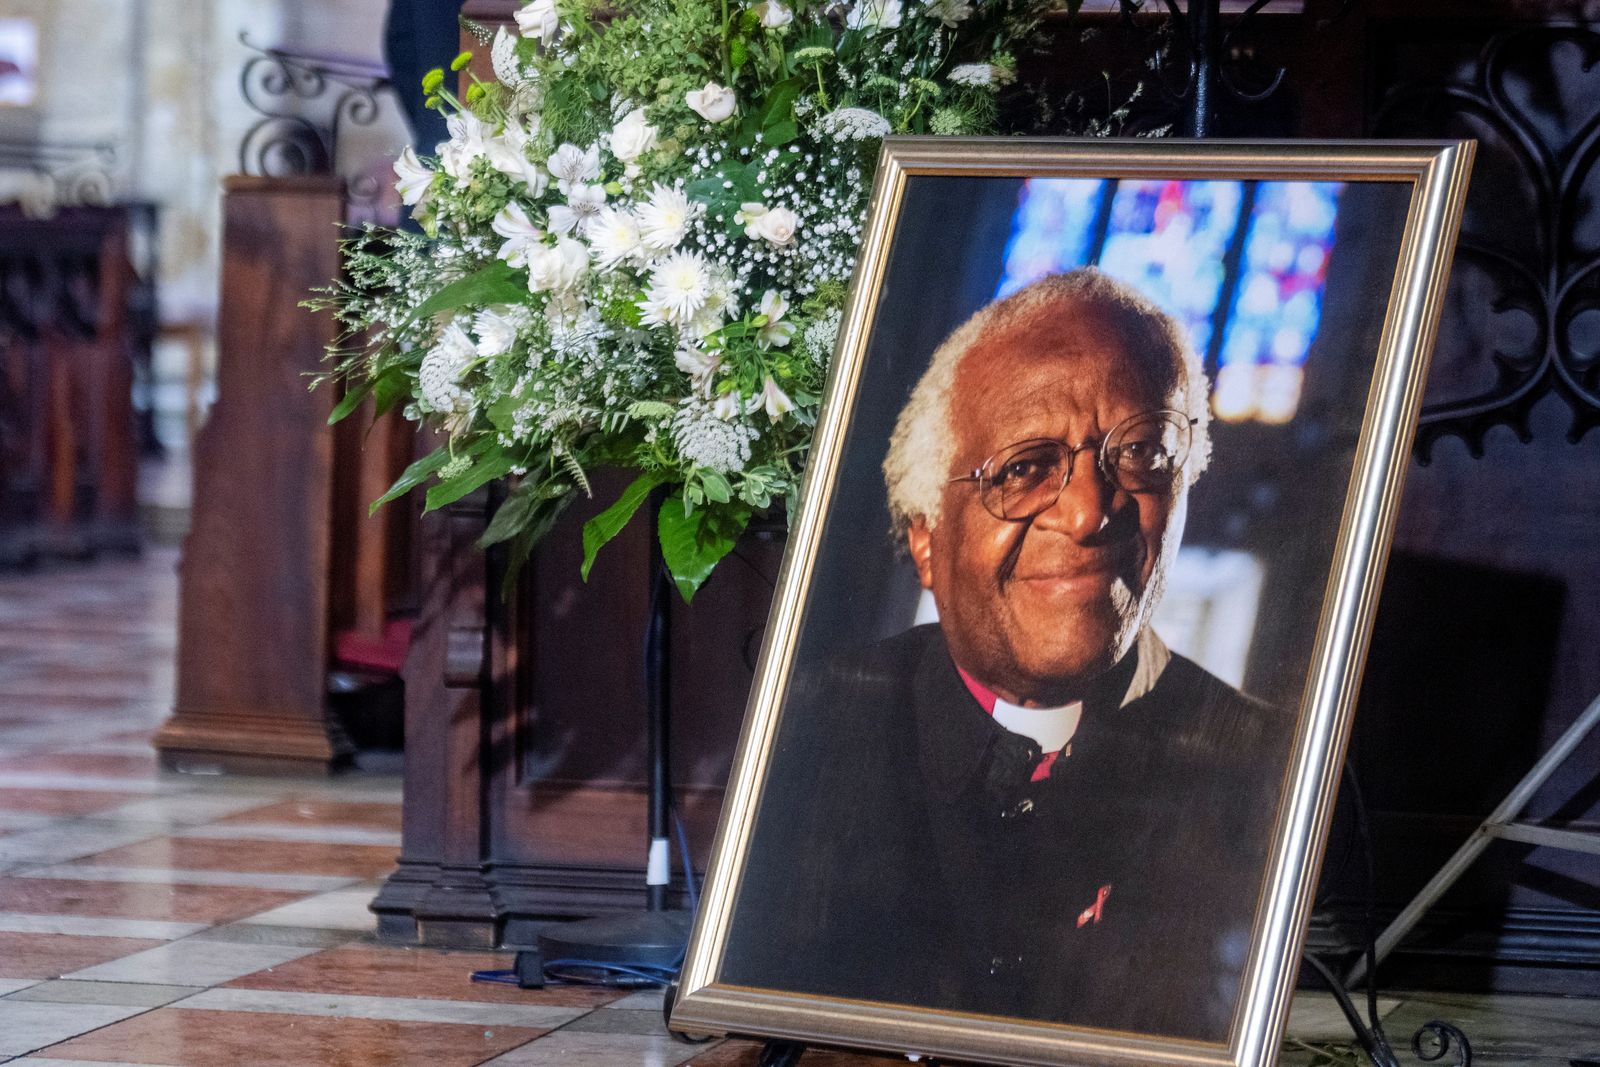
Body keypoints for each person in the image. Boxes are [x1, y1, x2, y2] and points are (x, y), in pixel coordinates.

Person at [720, 269, 1292, 1043]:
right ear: (927, 539)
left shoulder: (1269, 766)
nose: (1090, 511)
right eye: (1024, 468)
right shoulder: (808, 728)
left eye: (1141, 450)